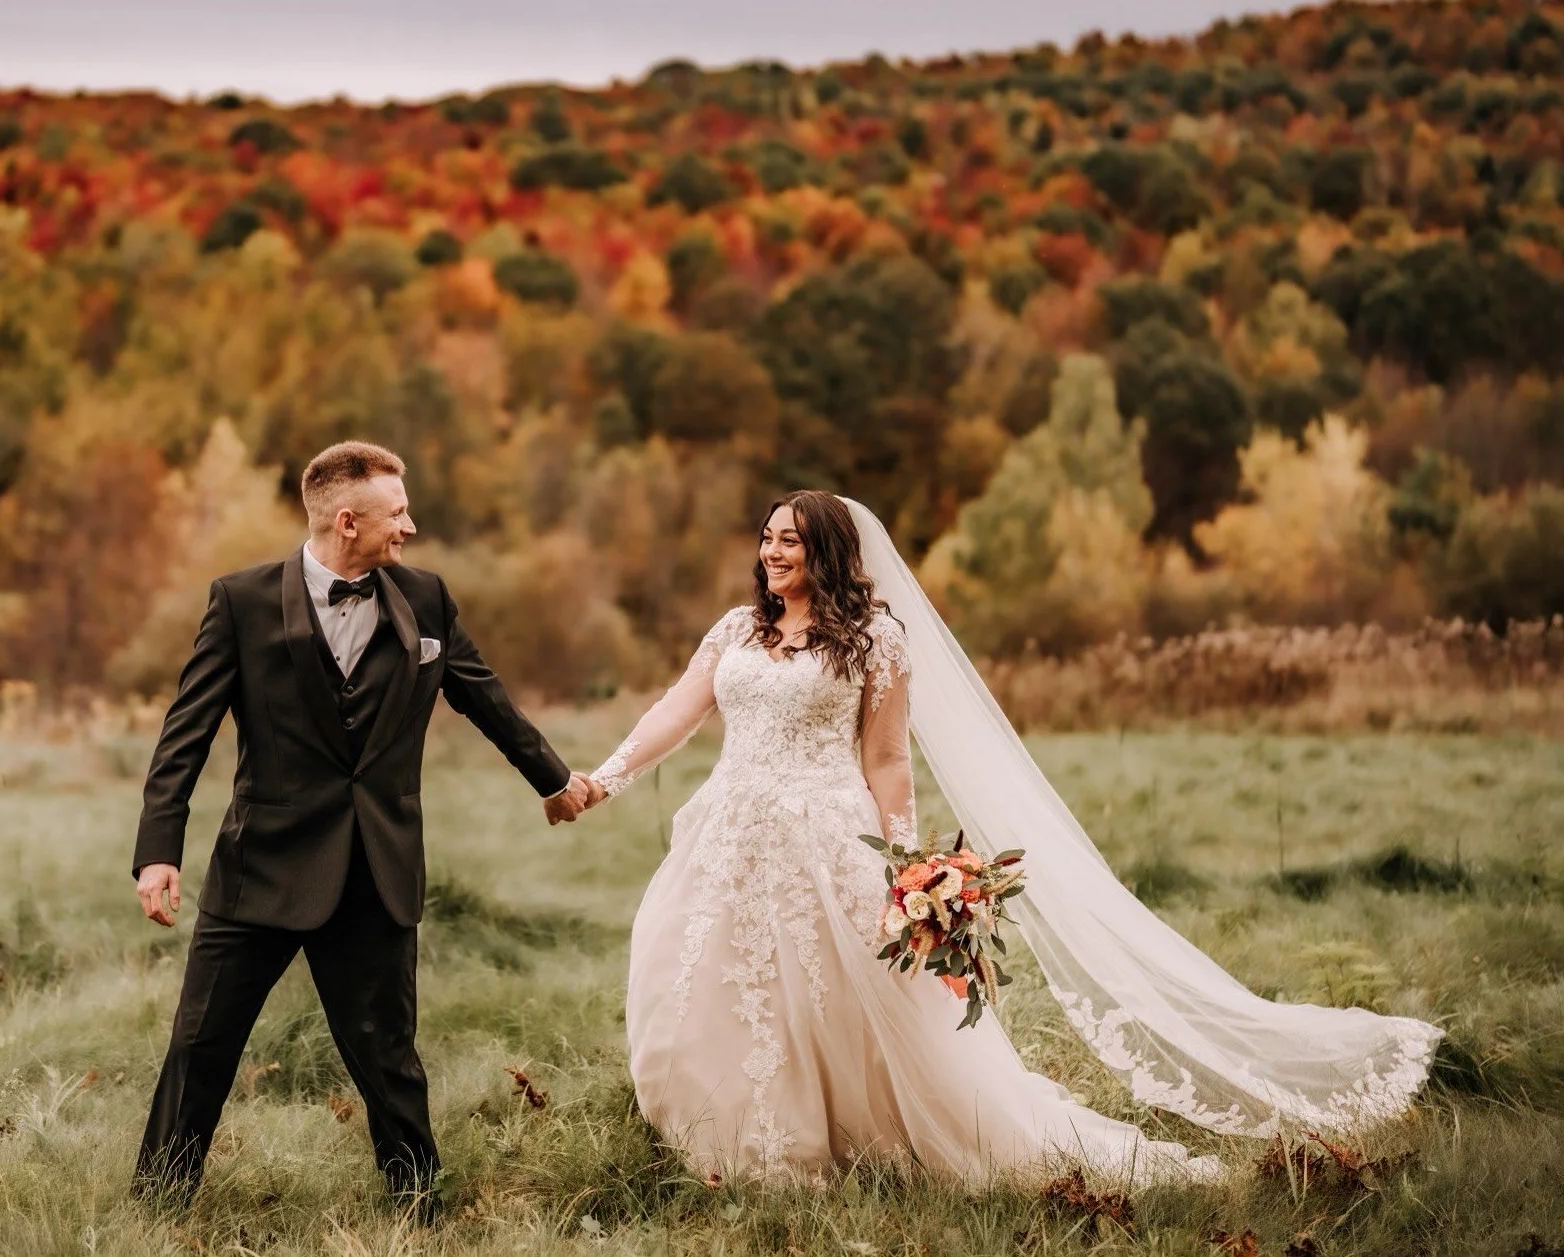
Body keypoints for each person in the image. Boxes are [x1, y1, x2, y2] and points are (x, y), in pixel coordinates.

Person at [572, 490, 1441, 1185]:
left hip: (829, 838)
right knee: (706, 979)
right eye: (767, 538)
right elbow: (676, 712)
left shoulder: (875, 640)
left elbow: (885, 761)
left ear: (828, 552)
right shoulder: (736, 630)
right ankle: (731, 1140)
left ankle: (853, 1140)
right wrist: (603, 778)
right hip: (730, 835)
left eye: (792, 540)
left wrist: (905, 868)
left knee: (841, 1005)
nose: (773, 552)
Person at [128, 440, 590, 1215]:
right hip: (261, 868)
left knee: (390, 1060)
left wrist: (556, 779)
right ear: (348, 521)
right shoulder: (240, 601)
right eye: (397, 512)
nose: (409, 526)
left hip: (375, 868)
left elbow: (483, 694)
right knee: (200, 1046)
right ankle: (156, 1206)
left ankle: (421, 1209)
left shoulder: (427, 598)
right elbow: (186, 732)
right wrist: (157, 854)